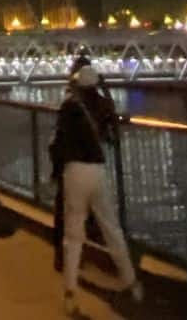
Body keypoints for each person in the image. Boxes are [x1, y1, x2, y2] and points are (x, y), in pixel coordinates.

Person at [50, 65, 142, 314]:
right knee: (111, 227)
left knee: (73, 236)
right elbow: (113, 130)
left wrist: (55, 171)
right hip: (97, 171)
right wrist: (107, 89)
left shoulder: (70, 106)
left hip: (74, 172)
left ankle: (70, 294)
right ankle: (131, 282)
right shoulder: (103, 105)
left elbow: (58, 141)